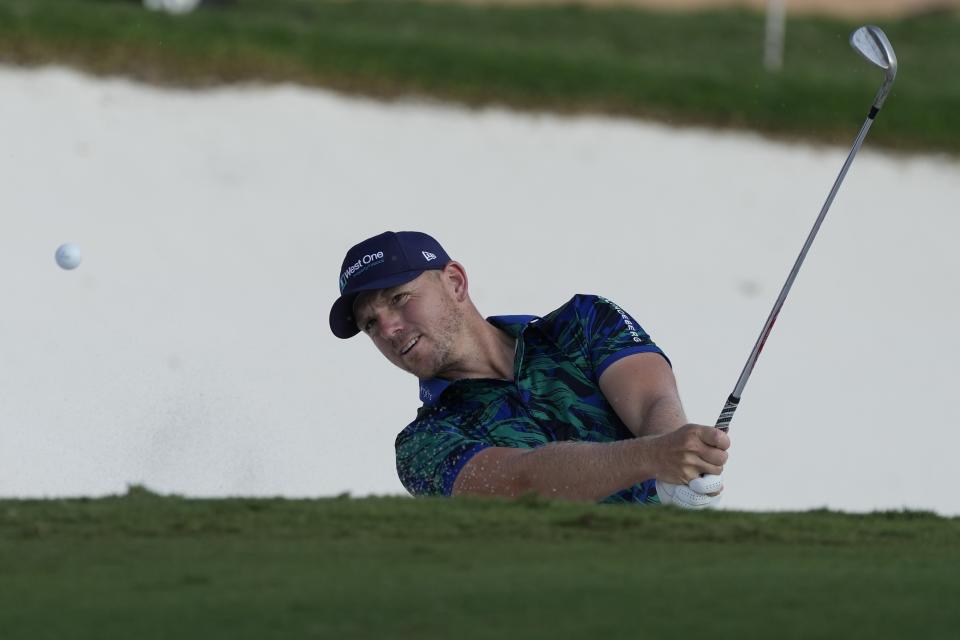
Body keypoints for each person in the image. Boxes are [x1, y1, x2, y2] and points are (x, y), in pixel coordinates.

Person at [329, 231, 729, 507]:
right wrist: (655, 458)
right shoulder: (423, 446)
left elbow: (651, 401)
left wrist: (679, 461)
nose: (388, 329)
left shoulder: (583, 322)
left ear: (455, 282)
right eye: (370, 324)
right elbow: (524, 483)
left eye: (399, 298)